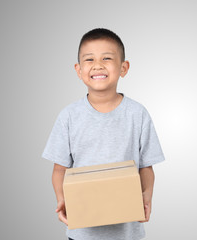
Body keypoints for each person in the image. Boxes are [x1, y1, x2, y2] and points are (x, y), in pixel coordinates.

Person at [42, 28, 165, 240]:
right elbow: (59, 169)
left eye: (107, 58)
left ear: (124, 67)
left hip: (128, 232)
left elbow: (146, 167)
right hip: (82, 232)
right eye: (89, 59)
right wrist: (62, 199)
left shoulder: (138, 113)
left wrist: (146, 197)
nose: (98, 65)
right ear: (78, 70)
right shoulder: (69, 116)